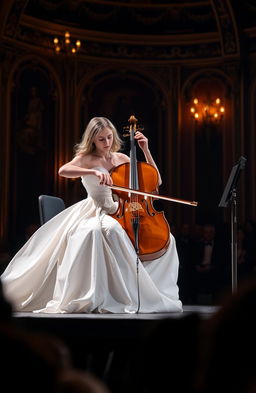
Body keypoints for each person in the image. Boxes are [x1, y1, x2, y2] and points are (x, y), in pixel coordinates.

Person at [1, 117, 182, 314]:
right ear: (93, 140)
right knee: (110, 231)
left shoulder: (122, 159)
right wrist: (93, 173)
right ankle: (113, 294)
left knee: (168, 239)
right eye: (101, 139)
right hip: (96, 209)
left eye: (110, 138)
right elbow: (63, 170)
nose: (107, 143)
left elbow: (155, 181)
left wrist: (145, 150)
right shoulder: (87, 159)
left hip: (122, 211)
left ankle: (146, 293)